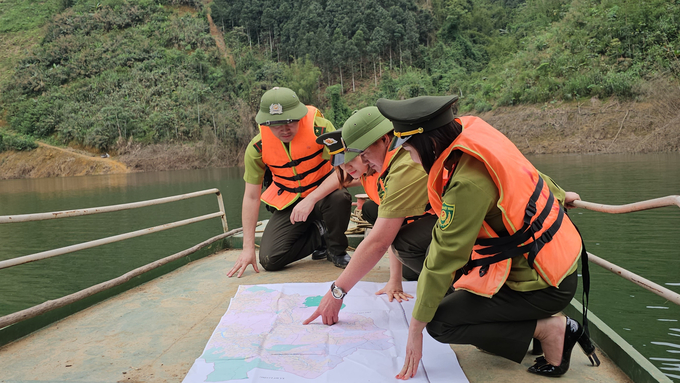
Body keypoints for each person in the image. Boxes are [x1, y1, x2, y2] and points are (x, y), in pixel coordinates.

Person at [375, 95, 599, 379]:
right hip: (556, 266)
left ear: (428, 142)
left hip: (542, 285)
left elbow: (444, 255)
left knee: (440, 323)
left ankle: (550, 329)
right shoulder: (473, 132)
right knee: (456, 307)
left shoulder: (467, 183)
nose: (408, 156)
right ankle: (531, 330)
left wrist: (415, 328)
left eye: (407, 148)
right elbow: (527, 170)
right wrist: (559, 193)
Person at [303, 106, 436, 322]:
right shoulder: (371, 167)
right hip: (424, 222)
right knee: (410, 267)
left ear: (384, 140)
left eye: (360, 156)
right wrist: (311, 199)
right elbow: (341, 178)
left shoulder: (402, 166)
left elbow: (382, 240)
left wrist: (337, 292)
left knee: (404, 247)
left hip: (452, 225)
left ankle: (453, 288)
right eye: (343, 164)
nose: (354, 166)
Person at [227, 87, 352, 278]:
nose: (284, 129)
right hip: (289, 203)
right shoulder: (257, 148)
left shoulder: (321, 128)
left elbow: (343, 170)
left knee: (340, 197)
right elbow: (251, 197)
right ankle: (319, 233)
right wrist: (247, 248)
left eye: (290, 121)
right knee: (270, 259)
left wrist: (310, 199)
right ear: (266, 123)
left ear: (300, 116)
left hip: (324, 196)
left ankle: (335, 249)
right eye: (276, 124)